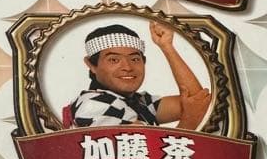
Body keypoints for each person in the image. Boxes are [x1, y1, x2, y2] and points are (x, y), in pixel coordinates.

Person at [68, 22, 211, 129]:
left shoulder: (138, 101)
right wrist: (190, 121)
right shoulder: (94, 104)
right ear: (92, 65)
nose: (127, 67)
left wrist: (166, 46)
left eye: (135, 59)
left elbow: (198, 100)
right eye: (114, 60)